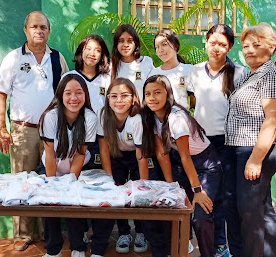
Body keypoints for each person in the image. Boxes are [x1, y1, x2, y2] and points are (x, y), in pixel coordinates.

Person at [0, 11, 68, 251]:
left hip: (53, 131)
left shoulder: (58, 59)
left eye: (44, 27)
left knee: (50, 181)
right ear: (25, 30)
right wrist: (2, 128)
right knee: (22, 181)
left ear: (49, 31)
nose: (39, 31)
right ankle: (24, 234)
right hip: (23, 131)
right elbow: (1, 94)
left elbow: (67, 93)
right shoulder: (13, 58)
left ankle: (50, 232)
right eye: (34, 26)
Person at [141, 74, 221, 257]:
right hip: (181, 164)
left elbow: (187, 157)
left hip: (205, 165)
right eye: (147, 94)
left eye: (157, 92)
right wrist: (171, 186)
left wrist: (198, 191)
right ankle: (177, 248)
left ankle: (208, 254)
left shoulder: (177, 117)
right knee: (173, 206)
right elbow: (162, 154)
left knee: (201, 215)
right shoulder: (151, 118)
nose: (152, 98)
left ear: (168, 94)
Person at [226, 23, 276, 257]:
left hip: (256, 149)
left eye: (256, 45)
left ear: (271, 47)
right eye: (245, 45)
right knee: (262, 209)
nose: (249, 49)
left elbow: (273, 118)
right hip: (242, 148)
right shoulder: (250, 74)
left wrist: (255, 158)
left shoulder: (270, 74)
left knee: (249, 213)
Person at [188, 24, 247, 257]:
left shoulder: (240, 73)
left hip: (227, 142)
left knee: (225, 196)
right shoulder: (194, 72)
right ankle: (214, 245)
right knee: (205, 195)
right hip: (201, 143)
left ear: (230, 46)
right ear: (206, 42)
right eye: (213, 42)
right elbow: (192, 103)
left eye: (223, 44)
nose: (216, 48)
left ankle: (222, 246)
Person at [37, 74, 98, 257]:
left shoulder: (90, 118)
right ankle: (53, 249)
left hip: (78, 167)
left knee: (75, 201)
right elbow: (50, 154)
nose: (74, 98)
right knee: (50, 202)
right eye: (68, 93)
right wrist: (53, 184)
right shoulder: (50, 117)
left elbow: (80, 154)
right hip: (51, 167)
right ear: (60, 96)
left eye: (79, 93)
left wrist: (71, 180)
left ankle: (78, 247)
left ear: (85, 95)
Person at [90, 78, 150, 257]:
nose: (119, 100)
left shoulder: (137, 118)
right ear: (107, 98)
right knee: (116, 193)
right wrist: (108, 177)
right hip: (116, 156)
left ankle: (140, 232)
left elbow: (141, 155)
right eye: (114, 96)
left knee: (138, 193)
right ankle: (124, 232)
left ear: (133, 99)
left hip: (137, 156)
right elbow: (104, 147)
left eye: (124, 96)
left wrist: (143, 183)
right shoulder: (103, 115)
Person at [64, 34, 112, 169]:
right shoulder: (69, 77)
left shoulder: (108, 78)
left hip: (102, 137)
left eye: (97, 50)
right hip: (76, 137)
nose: (92, 53)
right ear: (81, 51)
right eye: (88, 49)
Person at [111, 24, 155, 103]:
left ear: (135, 43)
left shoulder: (146, 62)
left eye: (130, 41)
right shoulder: (110, 65)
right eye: (121, 41)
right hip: (118, 113)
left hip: (142, 113)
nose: (125, 45)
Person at [148, 29, 192, 109]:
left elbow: (197, 100)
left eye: (164, 44)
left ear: (175, 45)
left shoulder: (188, 70)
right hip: (158, 120)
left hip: (181, 119)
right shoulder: (153, 74)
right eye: (157, 47)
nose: (160, 50)